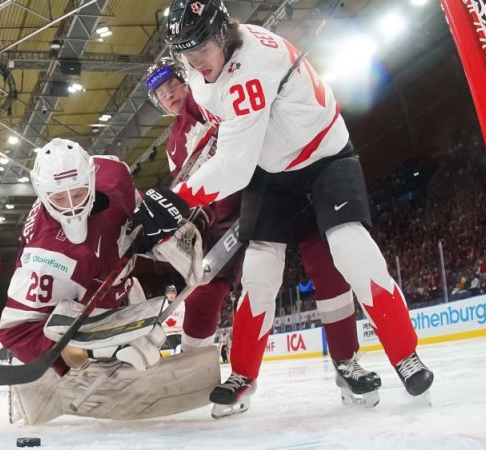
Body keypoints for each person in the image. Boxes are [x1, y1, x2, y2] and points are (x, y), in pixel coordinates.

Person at [154, 0, 433, 412]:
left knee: (349, 248)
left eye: (201, 49)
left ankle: (402, 353)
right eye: (186, 53)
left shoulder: (252, 64)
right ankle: (244, 373)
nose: (195, 61)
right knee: (259, 272)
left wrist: (176, 199)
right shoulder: (202, 69)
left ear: (223, 36)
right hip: (272, 170)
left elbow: (233, 165)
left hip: (324, 158)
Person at [145, 57, 382, 416]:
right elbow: (192, 189)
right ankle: (199, 378)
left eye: (172, 85)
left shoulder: (216, 95)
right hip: (225, 218)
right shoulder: (174, 143)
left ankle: (347, 363)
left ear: (186, 79)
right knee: (205, 291)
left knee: (326, 265)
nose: (169, 96)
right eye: (160, 94)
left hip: (270, 190)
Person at [0, 138, 216, 424]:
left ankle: (114, 351)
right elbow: (15, 330)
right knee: (134, 347)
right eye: (60, 198)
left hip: (118, 287)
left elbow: (136, 225)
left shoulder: (113, 173)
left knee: (143, 346)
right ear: (42, 193)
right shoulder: (44, 257)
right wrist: (86, 352)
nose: (72, 206)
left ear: (92, 176)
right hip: (77, 307)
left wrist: (167, 230)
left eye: (78, 192)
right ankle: (69, 372)